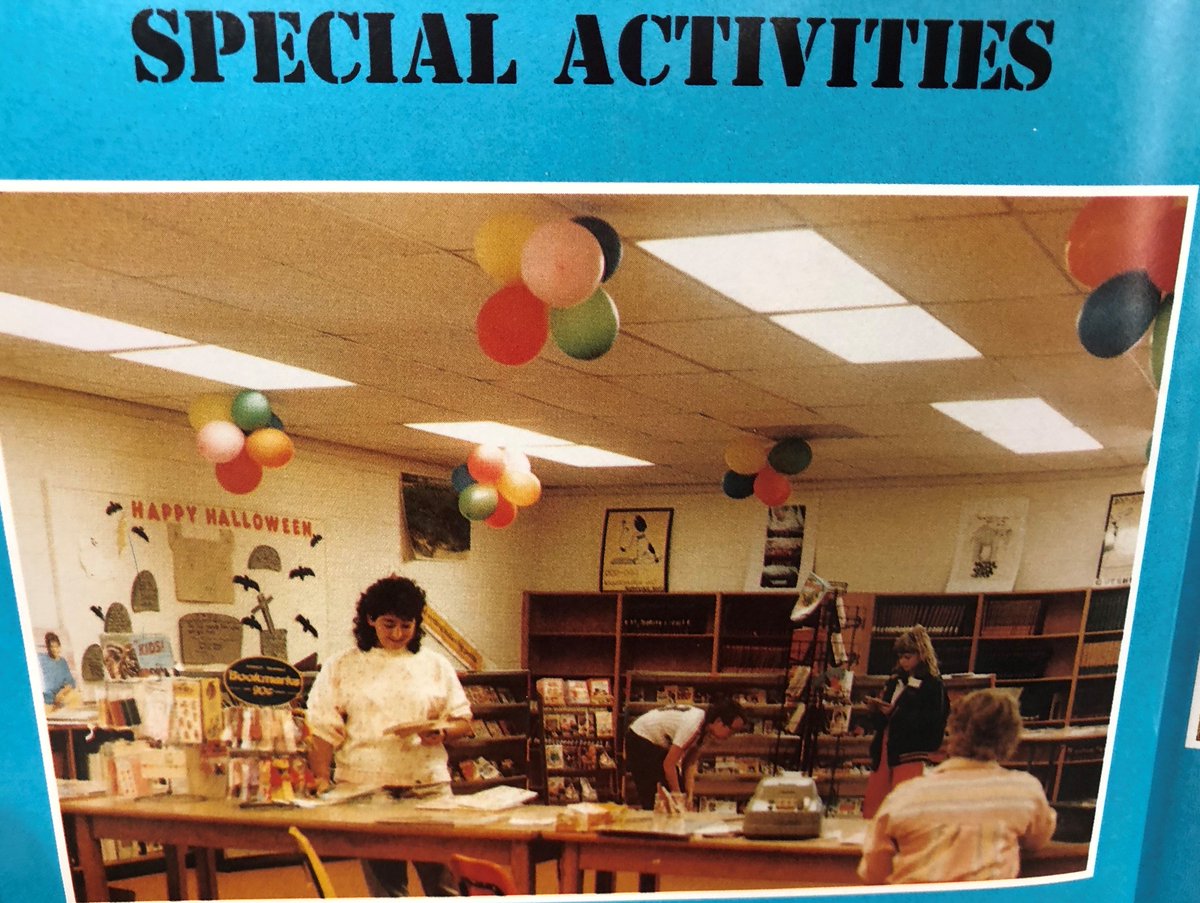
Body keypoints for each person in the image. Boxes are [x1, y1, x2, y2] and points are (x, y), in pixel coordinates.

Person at [305, 575, 474, 897]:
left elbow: (463, 720)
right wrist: (322, 778)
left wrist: (440, 731)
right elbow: (321, 727)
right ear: (370, 620)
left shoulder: (435, 664)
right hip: (366, 789)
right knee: (386, 890)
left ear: (417, 623)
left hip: (427, 786)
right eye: (388, 624)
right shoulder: (342, 664)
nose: (397, 634)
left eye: (406, 625)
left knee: (445, 884)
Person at [858, 688, 1057, 884]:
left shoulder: (905, 795)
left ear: (952, 730)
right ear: (1011, 739)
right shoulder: (1024, 791)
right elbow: (1038, 840)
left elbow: (873, 872)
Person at [862, 624, 949, 818]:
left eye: (907, 657)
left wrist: (897, 714)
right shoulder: (895, 681)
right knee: (876, 807)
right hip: (885, 749)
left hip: (910, 753)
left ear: (921, 655)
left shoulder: (932, 684)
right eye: (900, 657)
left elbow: (933, 721)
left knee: (904, 809)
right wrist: (877, 712)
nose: (903, 662)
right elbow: (882, 721)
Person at [624, 696, 748, 809]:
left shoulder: (705, 730)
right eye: (732, 731)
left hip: (654, 742)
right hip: (640, 738)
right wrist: (678, 798)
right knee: (657, 799)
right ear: (719, 722)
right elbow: (669, 765)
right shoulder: (693, 725)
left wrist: (689, 795)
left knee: (677, 793)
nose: (731, 736)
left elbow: (690, 762)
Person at [39, 631, 78, 707]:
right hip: (46, 696)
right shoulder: (41, 658)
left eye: (56, 646)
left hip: (60, 696)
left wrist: (62, 693)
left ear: (60, 646)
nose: (54, 649)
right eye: (51, 647)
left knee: (75, 697)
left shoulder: (62, 662)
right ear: (48, 648)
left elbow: (71, 682)